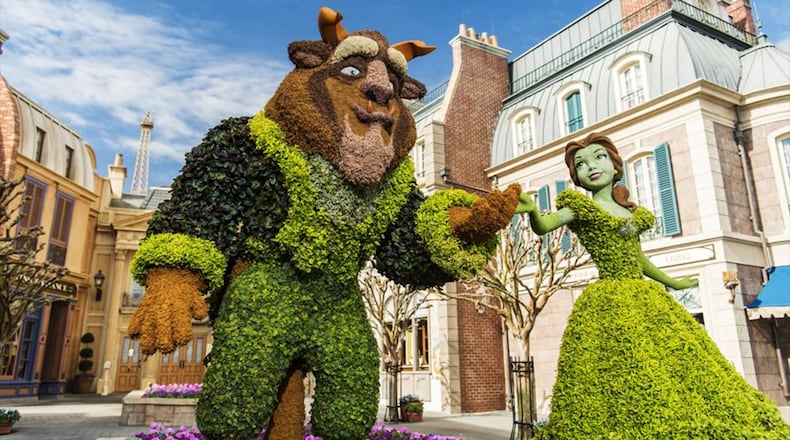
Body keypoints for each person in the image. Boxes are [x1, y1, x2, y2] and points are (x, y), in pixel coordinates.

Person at [516, 133, 790, 438]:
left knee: (677, 357)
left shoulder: (631, 214)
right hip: (609, 298)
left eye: (599, 158)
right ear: (576, 177)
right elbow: (544, 225)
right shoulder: (579, 209)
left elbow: (639, 259)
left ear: (615, 166)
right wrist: (531, 211)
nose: (591, 166)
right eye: (581, 164)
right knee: (622, 362)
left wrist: (672, 281)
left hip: (643, 295)